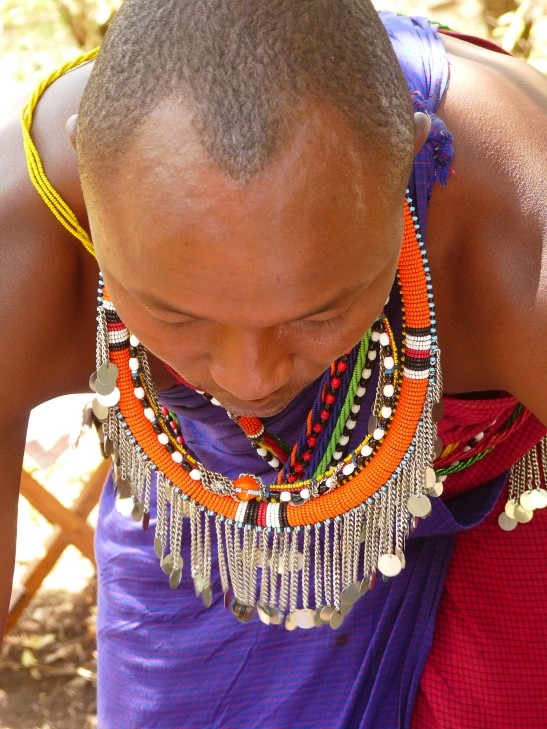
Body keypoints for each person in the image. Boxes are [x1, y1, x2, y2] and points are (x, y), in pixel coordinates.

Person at [1, 1, 546, 727]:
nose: (250, 379)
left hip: (504, 529)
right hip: (206, 526)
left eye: (318, 314)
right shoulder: (27, 236)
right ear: (88, 188)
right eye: (177, 316)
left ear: (408, 167)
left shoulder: (520, 226)